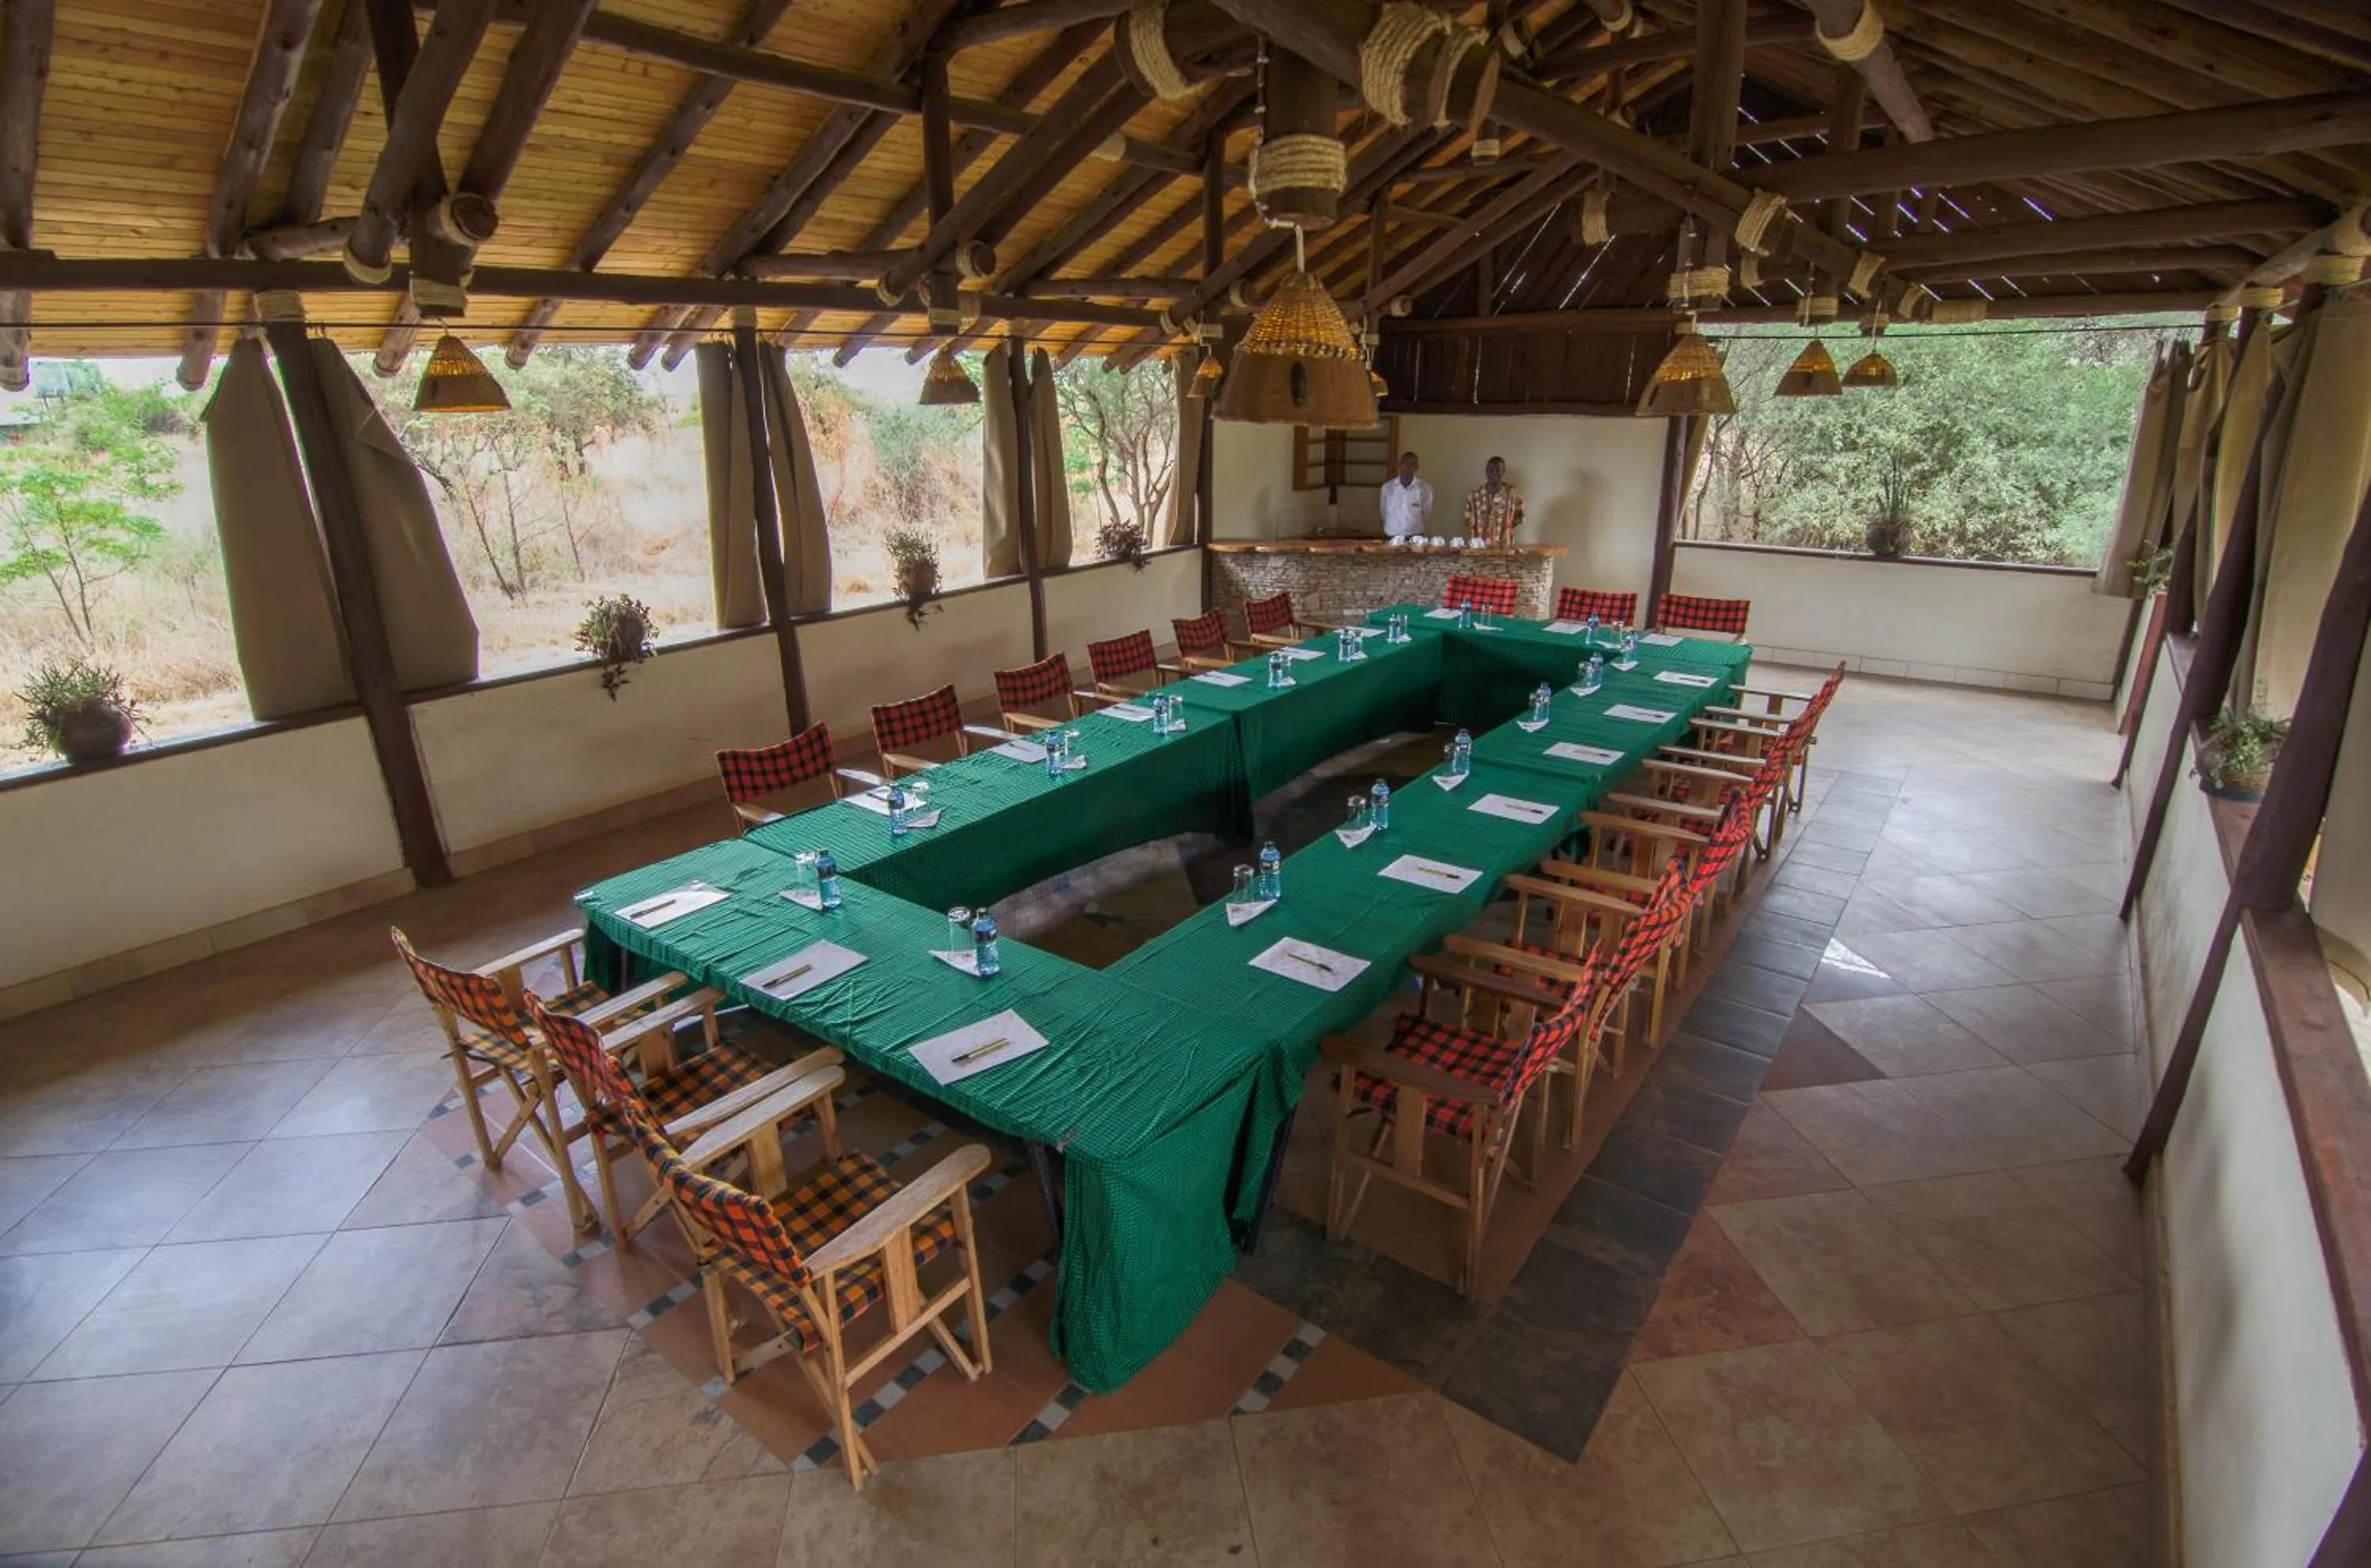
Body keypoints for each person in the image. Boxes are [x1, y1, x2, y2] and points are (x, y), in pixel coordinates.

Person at [1461, 455, 1525, 548]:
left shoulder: (1513, 494)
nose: (1494, 473)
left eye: (1498, 470)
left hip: (1505, 548)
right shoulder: (1474, 495)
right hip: (1479, 548)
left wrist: (1502, 529)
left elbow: (1518, 518)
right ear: (1486, 471)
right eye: (1491, 469)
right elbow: (1468, 521)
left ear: (1504, 472)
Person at [1381, 451, 1434, 540]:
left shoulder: (1425, 488)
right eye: (1404, 464)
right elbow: (1384, 511)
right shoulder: (1387, 488)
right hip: (1392, 535)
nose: (1407, 467)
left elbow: (1426, 513)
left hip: (1416, 536)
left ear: (1417, 467)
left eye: (1412, 464)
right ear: (1399, 465)